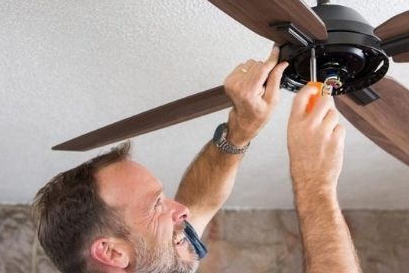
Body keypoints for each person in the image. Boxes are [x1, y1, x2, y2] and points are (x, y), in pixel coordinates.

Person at [32, 47, 362, 273]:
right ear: (112, 253)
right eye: (156, 206)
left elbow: (198, 203)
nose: (181, 211)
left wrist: (241, 130)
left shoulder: (158, 257)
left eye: (162, 199)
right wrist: (314, 184)